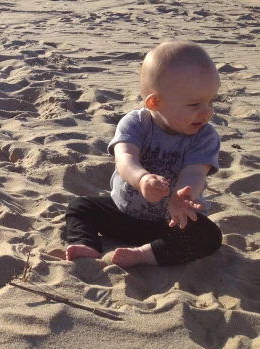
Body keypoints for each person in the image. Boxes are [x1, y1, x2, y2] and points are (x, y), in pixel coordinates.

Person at [65, 41, 222, 268]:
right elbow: (124, 158)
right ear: (155, 102)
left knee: (209, 236)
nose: (206, 112)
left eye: (211, 101)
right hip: (123, 212)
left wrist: (181, 197)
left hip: (171, 221)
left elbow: (195, 172)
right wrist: (141, 179)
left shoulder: (205, 136)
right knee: (80, 207)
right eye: (195, 104)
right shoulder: (136, 123)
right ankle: (86, 243)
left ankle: (145, 254)